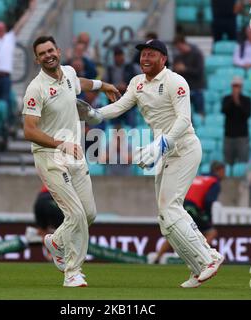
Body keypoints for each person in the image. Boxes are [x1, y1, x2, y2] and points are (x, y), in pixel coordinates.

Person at [89, 39, 224, 288]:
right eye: (142, 55)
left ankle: (208, 259)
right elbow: (120, 106)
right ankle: (198, 267)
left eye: (151, 54)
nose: (145, 59)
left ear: (163, 58)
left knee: (170, 207)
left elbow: (184, 120)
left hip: (183, 148)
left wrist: (162, 143)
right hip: (163, 151)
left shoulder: (176, 81)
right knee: (165, 218)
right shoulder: (137, 83)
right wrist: (95, 114)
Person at [22, 36, 120, 287]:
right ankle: (72, 272)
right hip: (50, 156)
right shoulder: (36, 88)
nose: (48, 55)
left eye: (50, 50)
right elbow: (29, 131)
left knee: (88, 214)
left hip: (74, 155)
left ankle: (55, 242)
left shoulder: (67, 73)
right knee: (75, 214)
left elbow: (79, 83)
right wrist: (59, 143)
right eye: (42, 53)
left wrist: (104, 84)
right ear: (37, 59)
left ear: (59, 51)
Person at [154, 161, 226, 264]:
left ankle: (157, 257)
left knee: (176, 232)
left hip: (179, 204)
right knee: (211, 232)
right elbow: (208, 201)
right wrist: (208, 218)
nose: (224, 174)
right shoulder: (215, 182)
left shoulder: (198, 177)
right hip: (192, 206)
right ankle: (202, 259)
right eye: (224, 171)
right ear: (219, 170)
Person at [103, 46, 141, 127]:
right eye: (116, 55)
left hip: (129, 103)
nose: (118, 57)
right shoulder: (109, 69)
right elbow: (103, 84)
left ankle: (133, 138)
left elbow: (141, 81)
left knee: (132, 127)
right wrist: (116, 87)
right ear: (114, 57)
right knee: (114, 128)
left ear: (123, 55)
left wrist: (128, 87)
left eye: (120, 55)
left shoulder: (132, 67)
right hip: (114, 102)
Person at [172, 35, 206, 118]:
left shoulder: (197, 54)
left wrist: (185, 69)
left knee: (200, 113)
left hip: (196, 88)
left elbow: (199, 71)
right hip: (183, 90)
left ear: (183, 43)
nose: (179, 50)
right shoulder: (178, 57)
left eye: (179, 48)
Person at [221, 76, 251, 165]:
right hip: (229, 136)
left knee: (243, 162)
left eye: (238, 86)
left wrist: (238, 102)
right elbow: (224, 110)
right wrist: (232, 100)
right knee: (228, 162)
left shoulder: (247, 100)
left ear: (241, 87)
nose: (236, 88)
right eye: (234, 86)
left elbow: (247, 114)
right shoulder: (226, 99)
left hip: (242, 136)